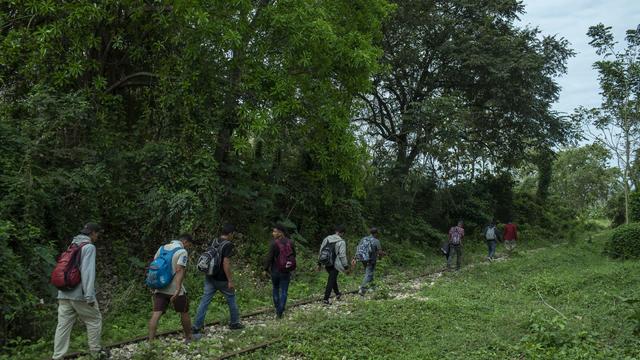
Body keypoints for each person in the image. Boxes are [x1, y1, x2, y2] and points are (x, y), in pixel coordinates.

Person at [52, 223, 105, 360]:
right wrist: (89, 296)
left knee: (63, 326)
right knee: (94, 320)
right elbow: (87, 272)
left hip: (63, 294)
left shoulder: (72, 246)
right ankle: (95, 353)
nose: (97, 236)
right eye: (97, 233)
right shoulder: (88, 247)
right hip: (79, 295)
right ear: (92, 233)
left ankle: (57, 357)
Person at [193, 224, 244, 338]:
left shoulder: (214, 240)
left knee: (204, 302)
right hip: (222, 279)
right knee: (231, 299)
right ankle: (235, 323)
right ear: (230, 234)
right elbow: (226, 263)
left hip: (210, 276)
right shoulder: (228, 245)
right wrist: (230, 280)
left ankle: (196, 326)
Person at [148, 234, 195, 342]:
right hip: (174, 289)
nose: (188, 247)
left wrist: (154, 284)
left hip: (160, 287)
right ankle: (189, 337)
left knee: (156, 313)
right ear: (185, 241)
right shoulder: (182, 251)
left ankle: (150, 342)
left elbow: (154, 266)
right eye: (189, 245)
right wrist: (178, 289)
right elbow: (180, 270)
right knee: (184, 311)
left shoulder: (161, 248)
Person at [263, 224, 296, 319]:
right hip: (286, 270)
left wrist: (265, 269)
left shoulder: (274, 243)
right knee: (284, 291)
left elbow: (269, 257)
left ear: (280, 232)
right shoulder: (291, 242)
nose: (273, 233)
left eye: (275, 231)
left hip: (275, 270)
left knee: (276, 289)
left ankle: (278, 309)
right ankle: (280, 310)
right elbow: (294, 255)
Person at [318, 225, 349, 305]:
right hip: (335, 264)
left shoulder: (327, 238)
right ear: (342, 233)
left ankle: (337, 294)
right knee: (331, 280)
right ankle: (325, 299)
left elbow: (321, 250)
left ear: (336, 231)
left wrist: (319, 263)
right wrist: (346, 266)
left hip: (326, 262)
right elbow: (342, 255)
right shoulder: (341, 242)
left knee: (332, 278)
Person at [353, 227, 383, 296]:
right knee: (369, 273)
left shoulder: (364, 239)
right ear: (376, 233)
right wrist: (381, 256)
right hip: (371, 259)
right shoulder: (376, 241)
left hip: (363, 259)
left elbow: (358, 248)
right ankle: (362, 288)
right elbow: (379, 252)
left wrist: (355, 258)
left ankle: (372, 287)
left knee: (369, 272)